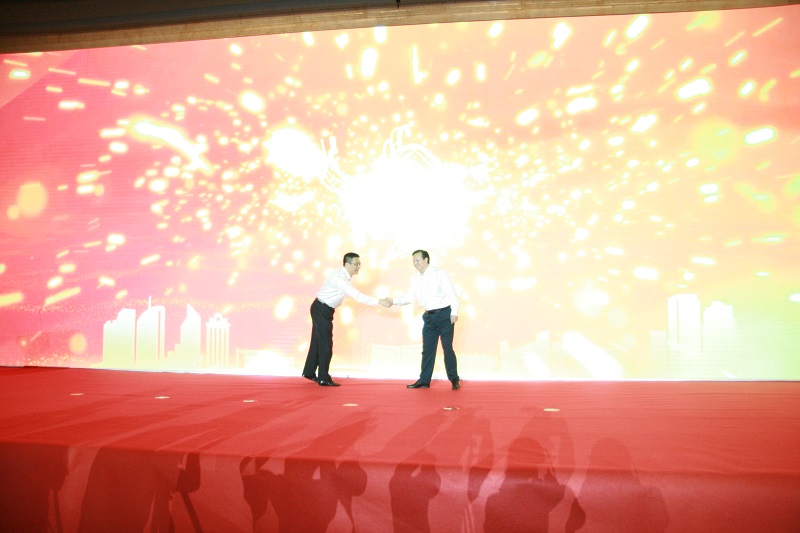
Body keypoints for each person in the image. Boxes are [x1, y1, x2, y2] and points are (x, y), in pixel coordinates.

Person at [303, 252, 391, 387]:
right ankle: (323, 378)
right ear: (347, 264)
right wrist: (379, 301)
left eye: (359, 264)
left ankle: (309, 372)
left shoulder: (342, 275)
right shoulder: (340, 278)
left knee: (317, 342)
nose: (358, 267)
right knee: (326, 344)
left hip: (321, 308)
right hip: (321, 309)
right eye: (356, 264)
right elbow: (358, 296)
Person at [391, 250, 461, 390]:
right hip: (429, 317)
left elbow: (452, 294)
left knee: (447, 348)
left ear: (426, 260)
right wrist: (393, 301)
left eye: (417, 260)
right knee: (427, 349)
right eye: (413, 261)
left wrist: (454, 312)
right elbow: (409, 297)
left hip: (445, 315)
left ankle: (454, 379)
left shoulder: (439, 273)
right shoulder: (415, 279)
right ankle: (424, 380)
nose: (415, 263)